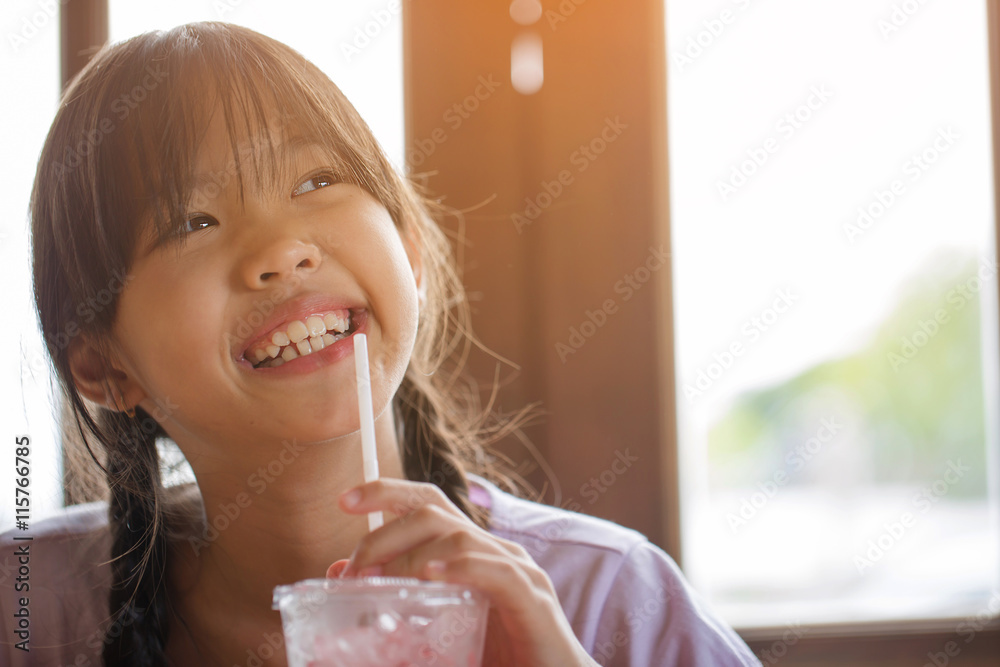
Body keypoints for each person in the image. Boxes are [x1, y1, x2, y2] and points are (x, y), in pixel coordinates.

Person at [0, 21, 760, 667]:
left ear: (409, 248)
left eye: (316, 180)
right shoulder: (25, 608)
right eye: (192, 222)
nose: (284, 250)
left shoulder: (609, 598)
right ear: (105, 365)